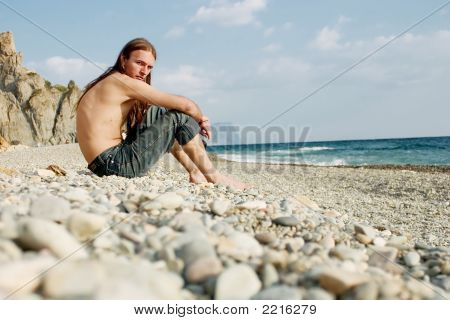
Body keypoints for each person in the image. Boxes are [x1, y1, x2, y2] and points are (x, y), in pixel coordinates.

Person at [76, 37, 246, 190]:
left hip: (105, 163)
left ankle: (195, 172)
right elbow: (186, 105)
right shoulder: (123, 82)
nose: (144, 71)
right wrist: (202, 121)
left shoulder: (112, 80)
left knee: (159, 113)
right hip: (114, 164)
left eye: (149, 67)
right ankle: (214, 176)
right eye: (139, 63)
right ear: (123, 59)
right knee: (178, 117)